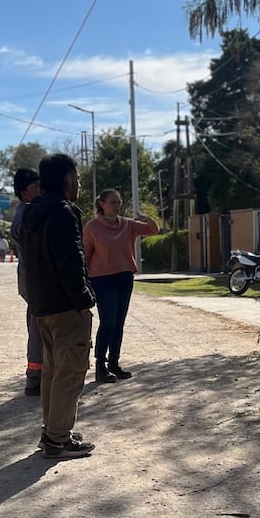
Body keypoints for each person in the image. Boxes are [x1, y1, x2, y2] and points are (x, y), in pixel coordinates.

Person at [19, 153, 96, 459]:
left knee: (52, 370)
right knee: (71, 370)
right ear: (65, 179)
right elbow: (70, 263)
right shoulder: (62, 212)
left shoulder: (32, 211)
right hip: (66, 307)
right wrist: (84, 300)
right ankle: (57, 439)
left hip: (42, 304)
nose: (77, 184)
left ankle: (53, 430)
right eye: (76, 178)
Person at [83, 188, 159, 383]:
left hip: (124, 278)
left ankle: (114, 364)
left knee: (119, 323)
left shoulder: (127, 225)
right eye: (112, 202)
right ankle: (101, 364)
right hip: (102, 280)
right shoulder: (92, 227)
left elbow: (153, 230)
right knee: (108, 322)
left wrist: (147, 218)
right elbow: (85, 255)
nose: (116, 206)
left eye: (118, 202)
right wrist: (86, 281)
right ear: (102, 204)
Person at [11, 167, 43, 397]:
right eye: (35, 186)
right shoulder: (26, 214)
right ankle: (35, 378)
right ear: (23, 191)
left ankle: (37, 377)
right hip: (33, 278)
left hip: (31, 279)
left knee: (37, 325)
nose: (40, 189)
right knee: (40, 328)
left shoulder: (29, 210)